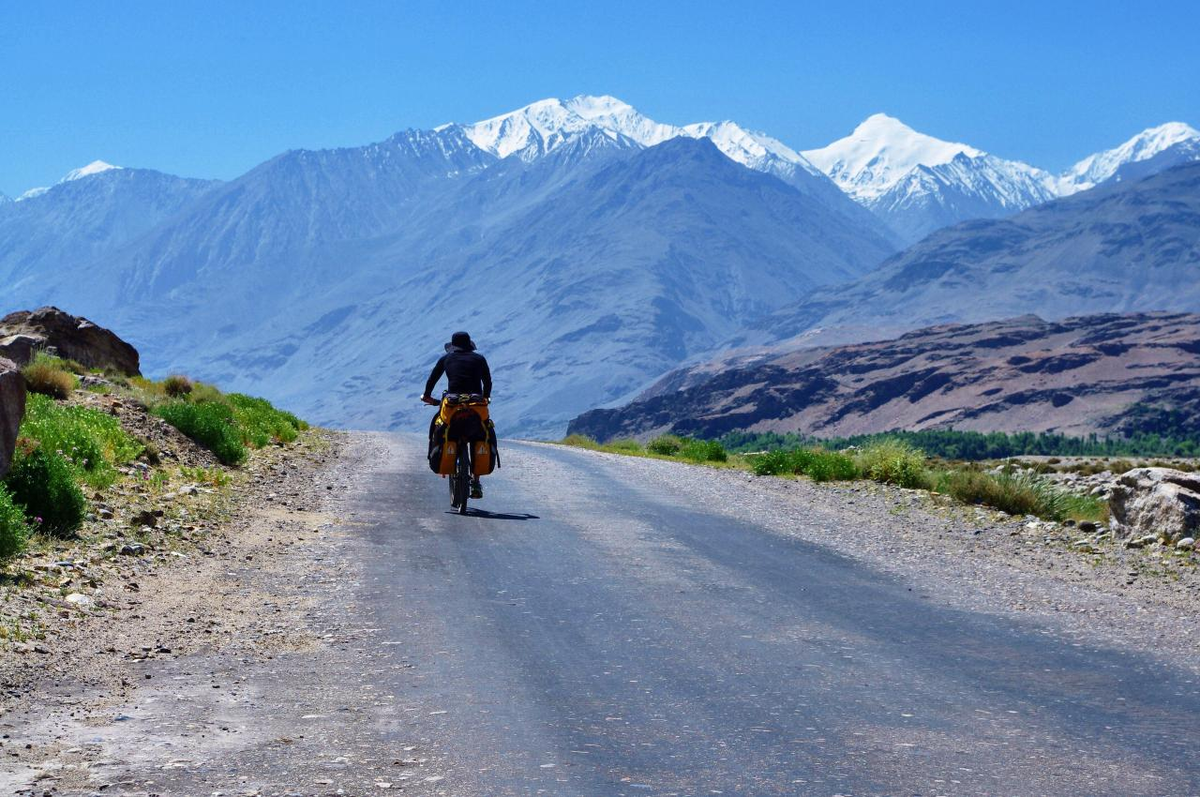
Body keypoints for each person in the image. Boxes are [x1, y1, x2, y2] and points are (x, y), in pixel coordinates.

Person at [423, 331, 491, 498]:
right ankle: (475, 482)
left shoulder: (446, 359)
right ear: (469, 345)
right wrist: (486, 396)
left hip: (452, 408)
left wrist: (427, 396)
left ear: (452, 346)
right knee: (483, 435)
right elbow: (488, 381)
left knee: (439, 425)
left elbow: (432, 379)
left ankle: (444, 461)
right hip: (476, 407)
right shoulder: (479, 359)